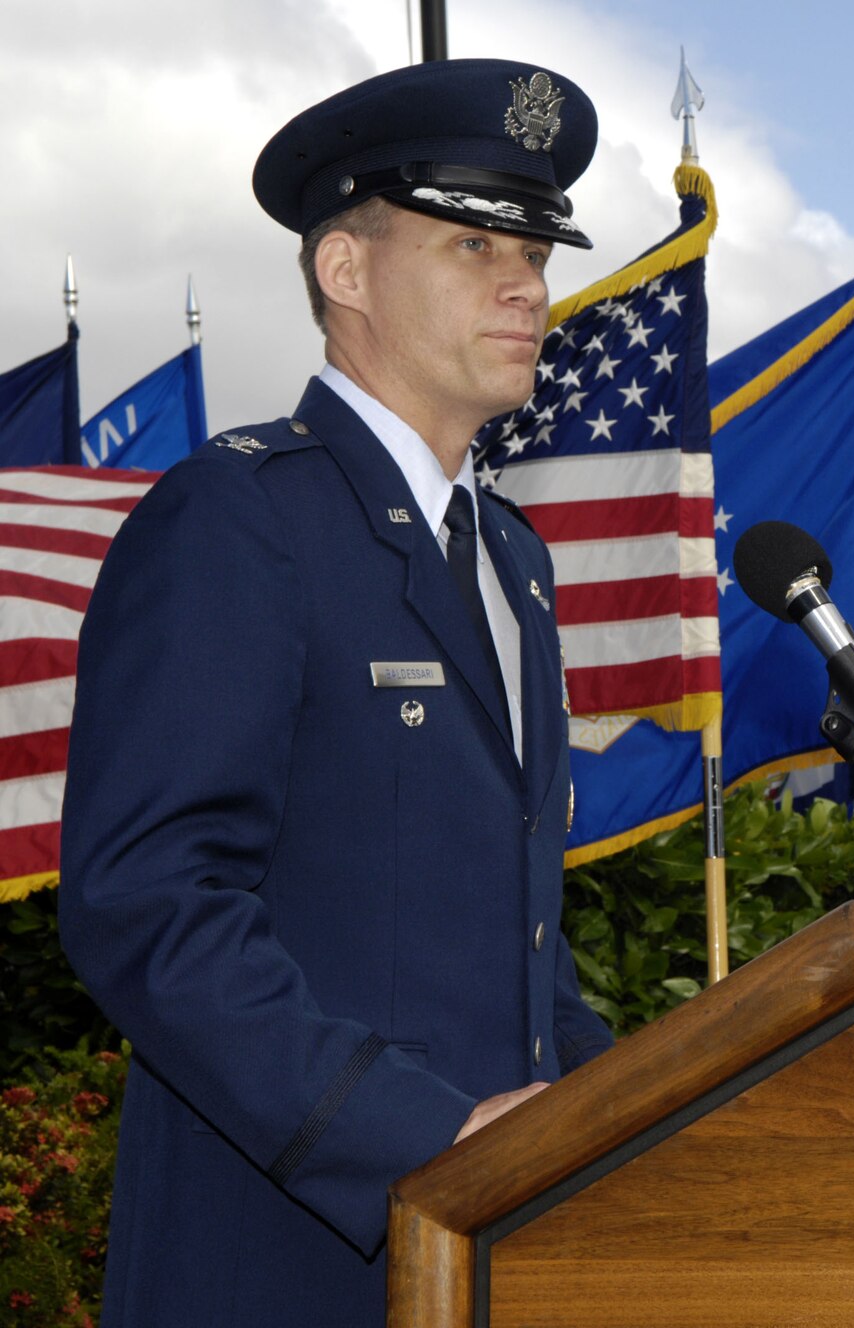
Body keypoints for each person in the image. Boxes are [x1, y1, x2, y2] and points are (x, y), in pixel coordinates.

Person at [59, 59, 615, 1327]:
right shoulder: (241, 518)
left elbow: (512, 941)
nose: (527, 283)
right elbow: (147, 901)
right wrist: (425, 1132)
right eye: (474, 244)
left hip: (492, 1251)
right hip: (287, 1259)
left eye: (534, 248)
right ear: (345, 272)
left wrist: (641, 1110)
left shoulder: (513, 562)